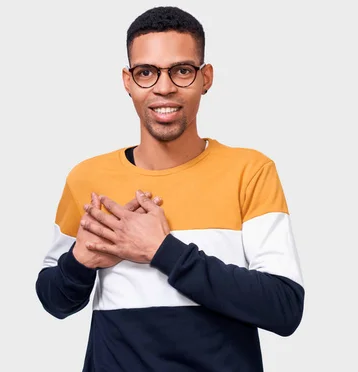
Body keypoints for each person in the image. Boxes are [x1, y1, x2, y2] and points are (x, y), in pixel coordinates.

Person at [36, 6, 304, 371]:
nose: (164, 87)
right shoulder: (87, 178)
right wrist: (80, 263)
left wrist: (162, 251)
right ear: (127, 81)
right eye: (146, 72)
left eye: (182, 71)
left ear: (205, 78)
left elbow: (284, 308)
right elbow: (56, 301)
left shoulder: (251, 171)